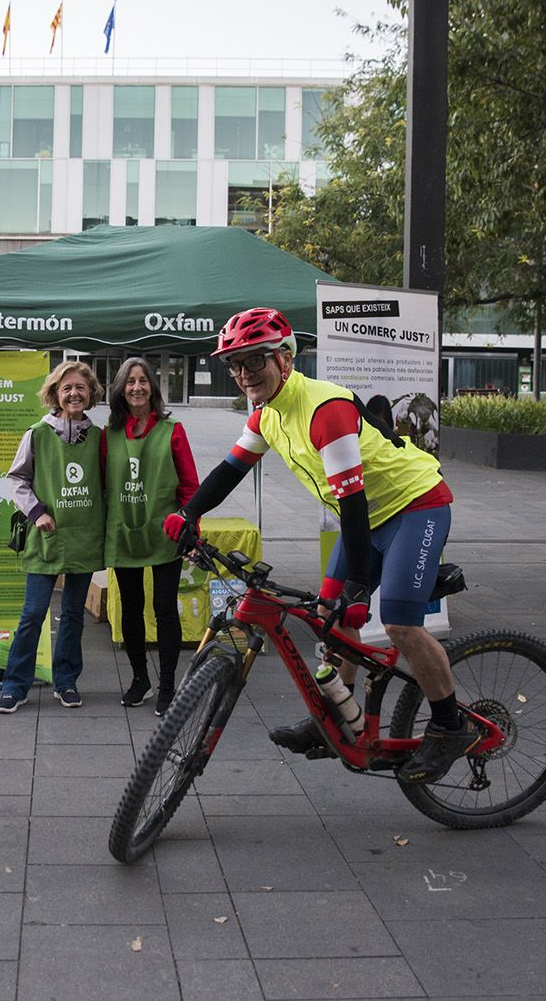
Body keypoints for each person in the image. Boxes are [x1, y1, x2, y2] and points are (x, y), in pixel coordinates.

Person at [164, 308, 474, 785]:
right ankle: (336, 719)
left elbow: (352, 498)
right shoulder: (267, 414)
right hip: (366, 518)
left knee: (398, 622)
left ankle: (451, 727)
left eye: (254, 360)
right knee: (332, 619)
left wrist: (356, 587)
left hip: (415, 504)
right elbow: (230, 470)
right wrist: (189, 515)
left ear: (284, 359)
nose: (245, 373)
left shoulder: (323, 408)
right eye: (235, 364)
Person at [0, 361, 105, 714]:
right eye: (67, 387)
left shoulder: (101, 438)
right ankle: (15, 685)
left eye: (81, 388)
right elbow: (17, 479)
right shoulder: (38, 434)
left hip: (83, 538)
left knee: (73, 614)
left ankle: (67, 681)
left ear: (90, 395)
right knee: (33, 612)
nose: (74, 393)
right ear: (55, 394)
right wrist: (37, 512)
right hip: (46, 538)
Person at [103, 357, 198, 715]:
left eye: (143, 381)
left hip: (165, 532)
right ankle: (140, 678)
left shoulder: (172, 430)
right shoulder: (108, 434)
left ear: (153, 389)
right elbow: (100, 483)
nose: (137, 387)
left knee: (164, 608)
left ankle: (168, 684)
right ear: (121, 389)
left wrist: (191, 529)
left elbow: (190, 484)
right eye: (130, 381)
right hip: (125, 532)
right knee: (131, 609)